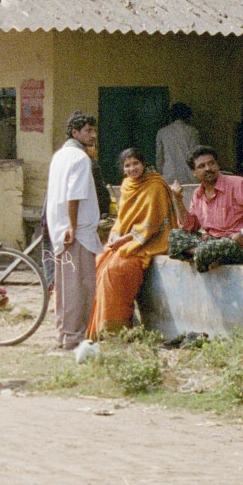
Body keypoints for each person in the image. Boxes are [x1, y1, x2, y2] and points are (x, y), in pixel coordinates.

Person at [87, 148, 176, 339]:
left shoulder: (155, 186)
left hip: (149, 241)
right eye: (127, 165)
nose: (132, 168)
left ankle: (118, 329)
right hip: (125, 240)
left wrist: (124, 240)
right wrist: (114, 236)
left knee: (116, 269)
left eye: (136, 163)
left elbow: (150, 225)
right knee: (99, 261)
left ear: (144, 164)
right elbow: (122, 219)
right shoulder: (127, 185)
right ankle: (98, 327)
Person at [45, 111, 101, 350]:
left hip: (61, 228)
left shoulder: (59, 156)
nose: (93, 135)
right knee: (80, 287)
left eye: (93, 130)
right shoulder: (79, 159)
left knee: (66, 286)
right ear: (74, 133)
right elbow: (74, 196)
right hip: (76, 232)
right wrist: (73, 226)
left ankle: (65, 334)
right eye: (88, 130)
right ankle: (74, 336)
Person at [169, 146, 243, 273]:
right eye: (201, 166)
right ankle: (207, 256)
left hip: (240, 245)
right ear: (194, 172)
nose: (208, 168)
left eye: (211, 163)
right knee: (174, 236)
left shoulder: (236, 184)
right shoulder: (198, 194)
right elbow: (190, 227)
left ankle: (205, 255)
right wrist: (177, 200)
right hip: (212, 242)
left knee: (206, 249)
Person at [154, 103, 203, 186]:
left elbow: (159, 158)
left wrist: (160, 173)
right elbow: (196, 154)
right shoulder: (192, 131)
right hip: (190, 175)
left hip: (169, 174)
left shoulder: (162, 132)